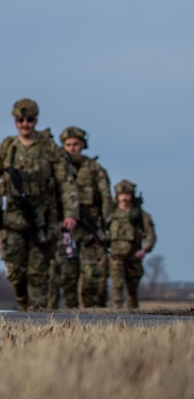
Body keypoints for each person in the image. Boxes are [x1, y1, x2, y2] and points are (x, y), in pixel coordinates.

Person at [0, 99, 78, 311]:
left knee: (38, 273)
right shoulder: (5, 149)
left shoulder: (50, 149)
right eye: (21, 120)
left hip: (43, 219)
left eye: (29, 120)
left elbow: (66, 183)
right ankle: (24, 305)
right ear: (15, 121)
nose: (25, 124)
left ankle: (36, 317)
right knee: (16, 273)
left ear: (36, 120)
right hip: (14, 220)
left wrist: (70, 213)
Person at [49, 126, 112, 308]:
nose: (72, 148)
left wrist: (103, 228)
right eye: (68, 145)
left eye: (76, 144)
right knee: (66, 277)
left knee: (92, 277)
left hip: (88, 232)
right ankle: (70, 319)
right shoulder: (56, 169)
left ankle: (91, 318)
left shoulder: (95, 169)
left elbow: (106, 200)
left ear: (83, 145)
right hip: (64, 231)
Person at [107, 179, 156, 309]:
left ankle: (132, 320)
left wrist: (145, 249)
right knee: (116, 288)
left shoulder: (140, 215)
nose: (125, 198)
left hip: (133, 257)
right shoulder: (110, 214)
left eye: (127, 194)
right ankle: (115, 318)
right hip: (116, 257)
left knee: (132, 292)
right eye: (122, 195)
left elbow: (150, 234)